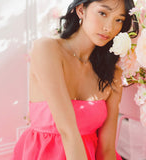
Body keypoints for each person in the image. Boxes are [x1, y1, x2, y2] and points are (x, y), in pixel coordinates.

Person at [11, 0, 139, 159]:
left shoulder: (112, 75)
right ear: (81, 10)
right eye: (103, 13)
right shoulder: (47, 49)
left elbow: (106, 149)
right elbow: (67, 131)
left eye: (118, 19)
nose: (109, 27)